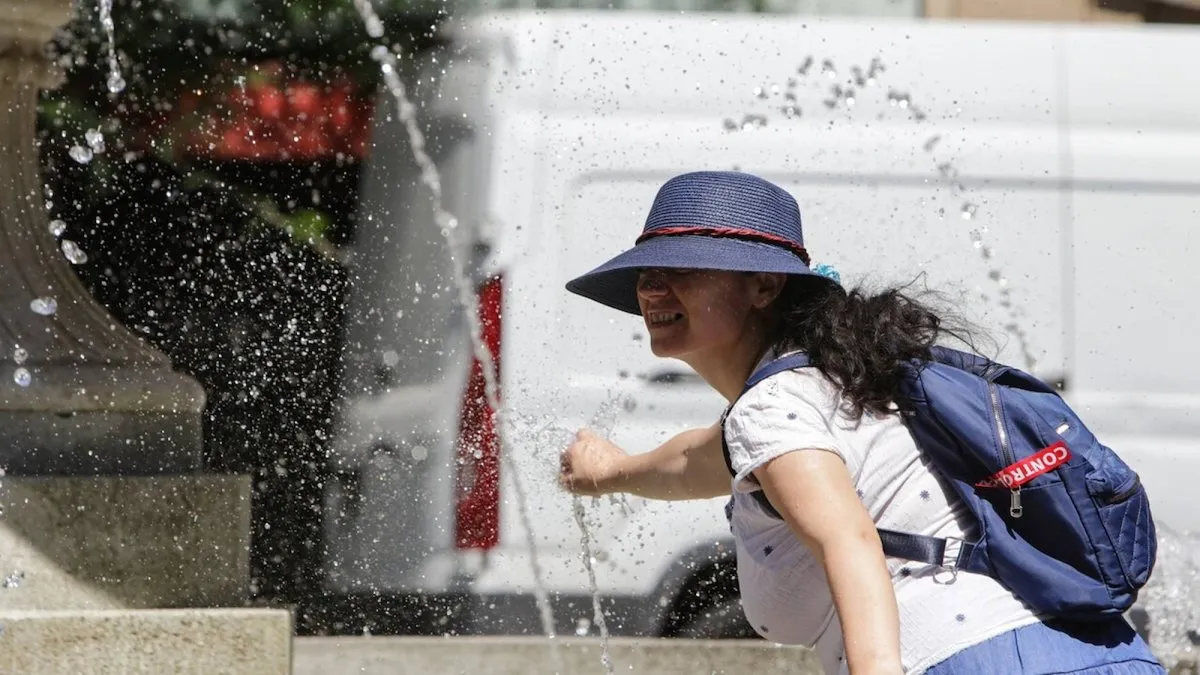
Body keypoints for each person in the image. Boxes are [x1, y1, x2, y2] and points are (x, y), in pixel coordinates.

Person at [558, 170, 1165, 675]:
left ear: (765, 286)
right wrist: (610, 469)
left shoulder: (773, 409)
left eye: (683, 268)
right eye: (646, 272)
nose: (652, 287)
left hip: (974, 658)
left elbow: (849, 541)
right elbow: (700, 460)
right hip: (1102, 655)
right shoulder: (842, 381)